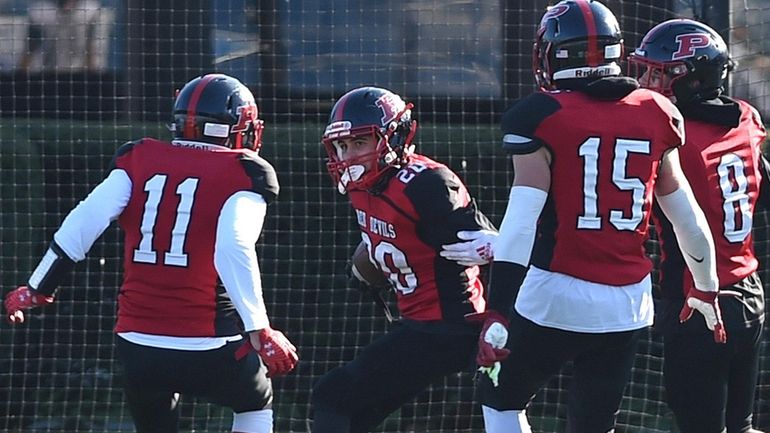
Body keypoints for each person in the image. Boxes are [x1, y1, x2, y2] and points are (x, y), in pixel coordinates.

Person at [440, 1, 723, 432]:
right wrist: (705, 288)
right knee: (595, 422)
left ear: (553, 53)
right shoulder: (658, 111)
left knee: (500, 397)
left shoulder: (541, 115)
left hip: (553, 292)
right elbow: (686, 215)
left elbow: (520, 221)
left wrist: (499, 309)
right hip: (627, 302)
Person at [3, 73, 298, 433]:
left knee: (155, 413)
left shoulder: (140, 157)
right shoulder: (245, 172)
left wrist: (37, 288)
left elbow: (84, 219)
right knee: (254, 402)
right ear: (236, 128)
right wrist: (260, 328)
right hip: (209, 343)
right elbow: (233, 245)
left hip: (137, 344)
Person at [311, 85, 497, 433]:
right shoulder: (363, 184)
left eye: (360, 143)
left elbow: (497, 252)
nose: (348, 156)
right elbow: (391, 238)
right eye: (342, 145)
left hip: (453, 326)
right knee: (353, 411)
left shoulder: (426, 184)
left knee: (333, 396)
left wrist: (499, 321)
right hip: (419, 323)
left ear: (394, 137)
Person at [629, 19, 768, 433]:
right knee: (739, 426)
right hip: (749, 293)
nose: (644, 80)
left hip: (697, 300)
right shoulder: (745, 118)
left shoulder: (669, 136)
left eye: (657, 71)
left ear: (689, 80)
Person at [20, 0, 108, 72]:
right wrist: (21, 76)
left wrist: (90, 77)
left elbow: (91, 48)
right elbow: (29, 48)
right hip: (46, 74)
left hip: (77, 76)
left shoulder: (90, 10)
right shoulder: (39, 11)